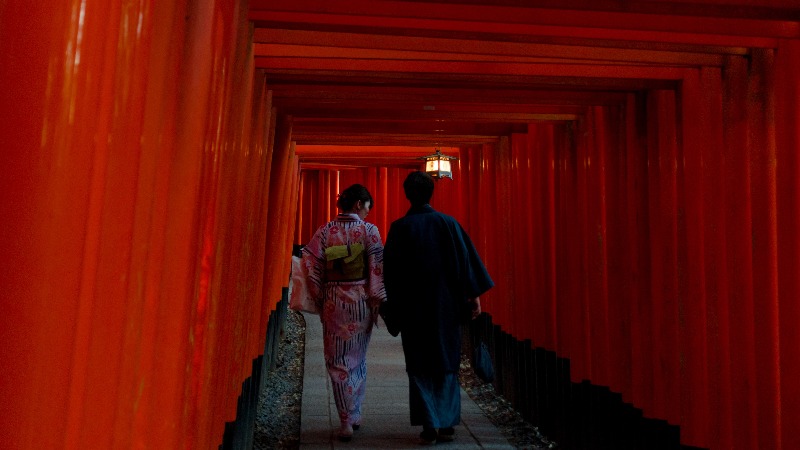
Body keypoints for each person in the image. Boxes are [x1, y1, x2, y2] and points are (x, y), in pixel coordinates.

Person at [383, 171, 494, 445]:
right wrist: (474, 297)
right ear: (431, 193)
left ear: (407, 194)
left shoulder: (400, 228)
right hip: (446, 306)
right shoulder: (448, 224)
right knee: (446, 361)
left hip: (413, 308)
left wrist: (392, 308)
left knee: (419, 364)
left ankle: (429, 422)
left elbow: (392, 274)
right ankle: (445, 423)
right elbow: (466, 261)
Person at [301, 184, 386, 442]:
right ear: (359, 204)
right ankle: (354, 413)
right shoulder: (369, 231)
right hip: (360, 299)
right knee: (358, 357)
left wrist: (319, 293)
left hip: (334, 300)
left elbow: (310, 260)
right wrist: (377, 299)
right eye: (368, 205)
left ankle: (345, 419)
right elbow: (376, 267)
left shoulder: (326, 231)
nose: (369, 212)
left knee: (337, 358)